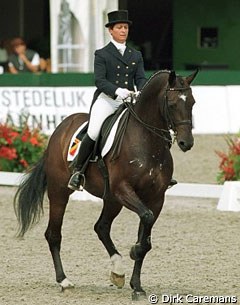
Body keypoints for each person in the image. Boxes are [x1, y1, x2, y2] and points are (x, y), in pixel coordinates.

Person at [68, 10, 147, 191]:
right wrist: (118, 91)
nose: (123, 31)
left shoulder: (136, 55)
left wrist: (141, 91)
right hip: (108, 100)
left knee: (148, 127)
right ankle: (78, 171)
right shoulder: (102, 54)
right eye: (119, 27)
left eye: (125, 27)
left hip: (130, 100)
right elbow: (100, 81)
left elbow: (140, 79)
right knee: (94, 131)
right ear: (110, 31)